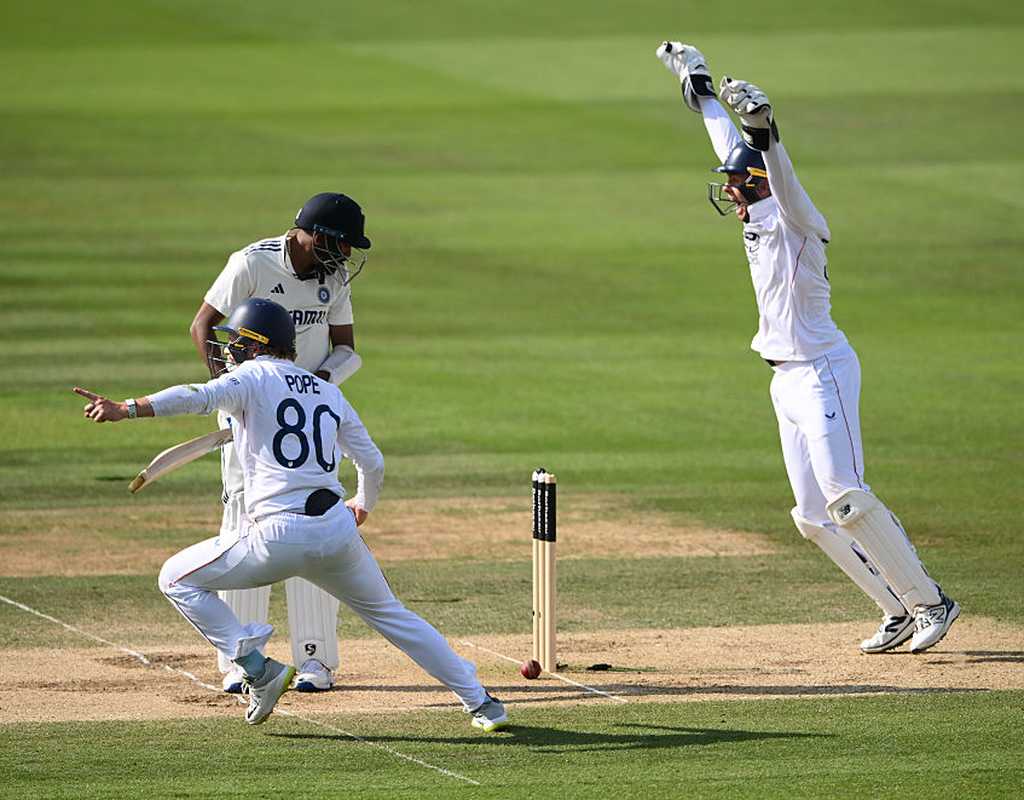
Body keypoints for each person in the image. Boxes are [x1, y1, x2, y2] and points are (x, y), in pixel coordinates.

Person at [72, 298, 508, 731]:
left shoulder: (251, 376)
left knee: (176, 578)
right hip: (336, 529)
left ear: (255, 345)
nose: (229, 351)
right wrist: (363, 504)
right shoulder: (329, 390)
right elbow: (372, 462)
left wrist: (125, 408)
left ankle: (257, 668)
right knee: (394, 617)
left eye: (236, 342)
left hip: (276, 537)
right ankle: (482, 702)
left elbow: (197, 397)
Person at [655, 42, 960, 654]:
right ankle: (896, 608)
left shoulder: (798, 218)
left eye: (739, 184)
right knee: (812, 516)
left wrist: (764, 129)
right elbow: (725, 141)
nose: (731, 194)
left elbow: (780, 173)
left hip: (823, 372)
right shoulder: (755, 212)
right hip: (782, 379)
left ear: (762, 182)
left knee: (845, 492)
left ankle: (932, 602)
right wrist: (700, 83)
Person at [189, 192, 370, 693]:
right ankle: (239, 658)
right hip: (250, 418)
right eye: (343, 244)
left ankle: (316, 660)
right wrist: (233, 395)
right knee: (242, 524)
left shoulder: (332, 277)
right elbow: (203, 326)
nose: (348, 257)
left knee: (314, 522)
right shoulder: (250, 263)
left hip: (306, 421)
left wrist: (318, 388)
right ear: (315, 235)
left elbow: (346, 349)